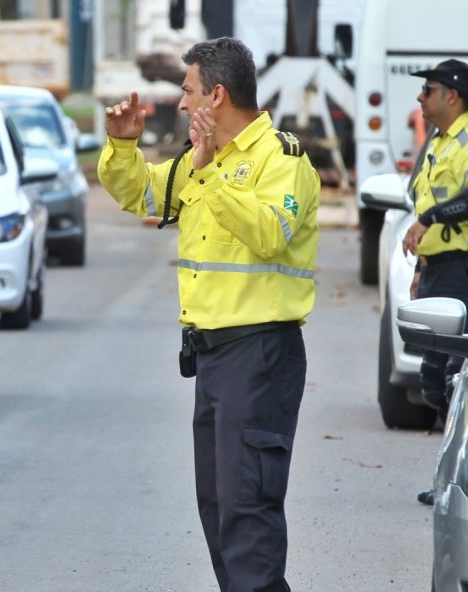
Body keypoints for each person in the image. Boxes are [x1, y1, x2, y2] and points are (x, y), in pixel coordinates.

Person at [98, 37, 319, 592]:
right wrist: (123, 148)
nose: (179, 102)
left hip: (260, 353)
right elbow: (147, 197)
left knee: (248, 512)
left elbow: (271, 233)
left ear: (215, 96)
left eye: (187, 89)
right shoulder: (205, 160)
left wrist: (212, 172)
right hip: (215, 358)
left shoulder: (282, 158)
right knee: (219, 510)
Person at [401, 60, 468, 505]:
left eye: (428, 90)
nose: (420, 98)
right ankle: (447, 477)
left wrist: (429, 218)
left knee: (454, 378)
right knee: (431, 376)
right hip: (440, 272)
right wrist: (422, 269)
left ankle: (457, 483)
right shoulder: (438, 144)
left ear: (453, 96)